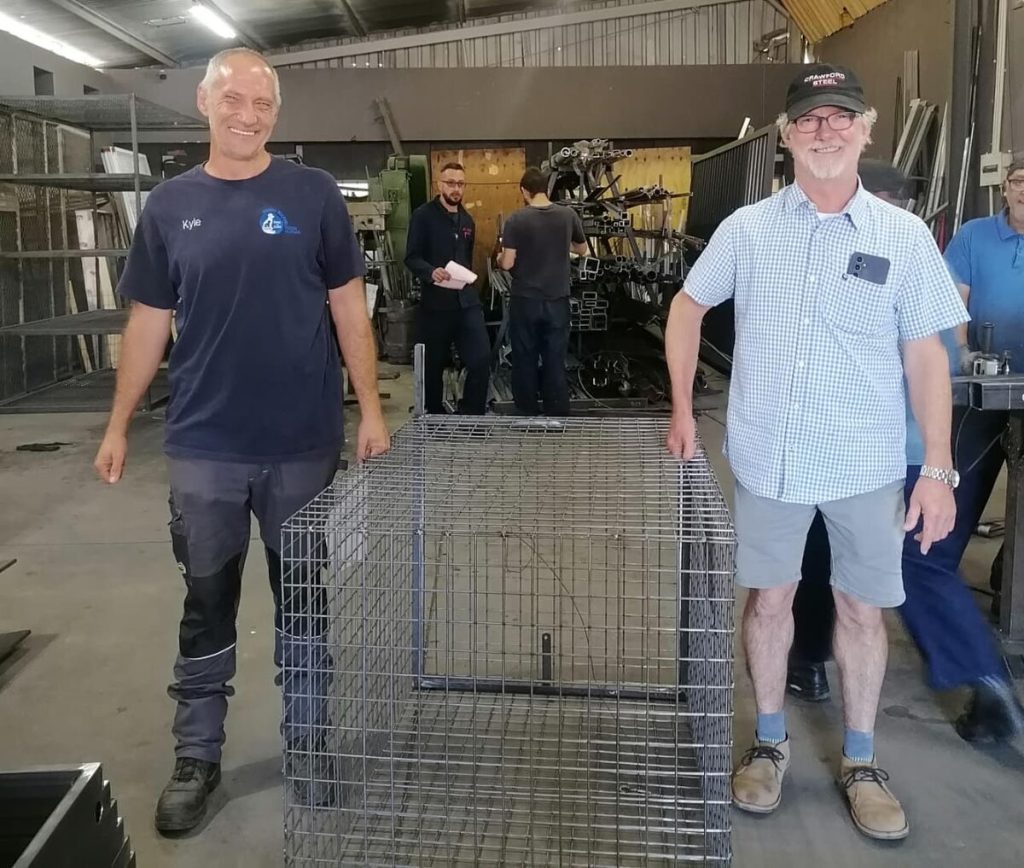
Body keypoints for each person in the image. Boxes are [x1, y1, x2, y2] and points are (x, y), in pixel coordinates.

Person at [665, 65, 968, 841]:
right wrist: (683, 410)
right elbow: (687, 306)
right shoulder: (748, 230)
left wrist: (937, 467)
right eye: (809, 118)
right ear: (787, 136)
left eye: (840, 117)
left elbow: (927, 355)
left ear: (866, 129)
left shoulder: (902, 237)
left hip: (865, 465)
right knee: (769, 602)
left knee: (862, 609)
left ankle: (861, 760)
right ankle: (769, 742)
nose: (825, 130)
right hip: (769, 459)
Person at [92, 48, 390, 834]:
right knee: (206, 602)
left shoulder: (312, 195)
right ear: (204, 102)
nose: (247, 115)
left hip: (301, 443)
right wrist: (119, 424)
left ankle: (310, 742)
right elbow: (148, 323)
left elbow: (349, 307)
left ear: (275, 113)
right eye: (233, 99)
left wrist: (370, 409)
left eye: (262, 103)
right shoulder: (169, 207)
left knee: (304, 601)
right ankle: (197, 756)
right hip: (205, 444)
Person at [787, 160, 1024, 743]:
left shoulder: (840, 258)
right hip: (922, 441)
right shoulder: (926, 252)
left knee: (821, 544)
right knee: (922, 557)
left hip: (860, 445)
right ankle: (984, 679)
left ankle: (808, 660)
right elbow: (948, 347)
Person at [948, 157, 1024, 625]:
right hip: (984, 387)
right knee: (958, 485)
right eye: (1019, 181)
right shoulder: (974, 236)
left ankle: (1009, 584)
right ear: (1006, 188)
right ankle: (932, 576)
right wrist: (961, 352)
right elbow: (953, 302)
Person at [497, 167, 588, 416]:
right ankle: (557, 413)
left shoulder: (516, 220)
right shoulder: (568, 215)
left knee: (524, 357)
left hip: (525, 300)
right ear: (546, 189)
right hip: (557, 300)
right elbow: (583, 250)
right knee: (554, 358)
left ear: (524, 191)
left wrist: (499, 257)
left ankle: (527, 412)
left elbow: (507, 263)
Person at [405, 161, 490, 414]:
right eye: (451, 183)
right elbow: (411, 257)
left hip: (466, 303)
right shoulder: (423, 216)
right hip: (436, 304)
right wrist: (431, 272)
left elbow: (466, 259)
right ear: (439, 185)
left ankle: (472, 415)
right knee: (432, 366)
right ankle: (434, 414)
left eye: (461, 184)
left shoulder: (467, 221)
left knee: (481, 358)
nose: (456, 189)